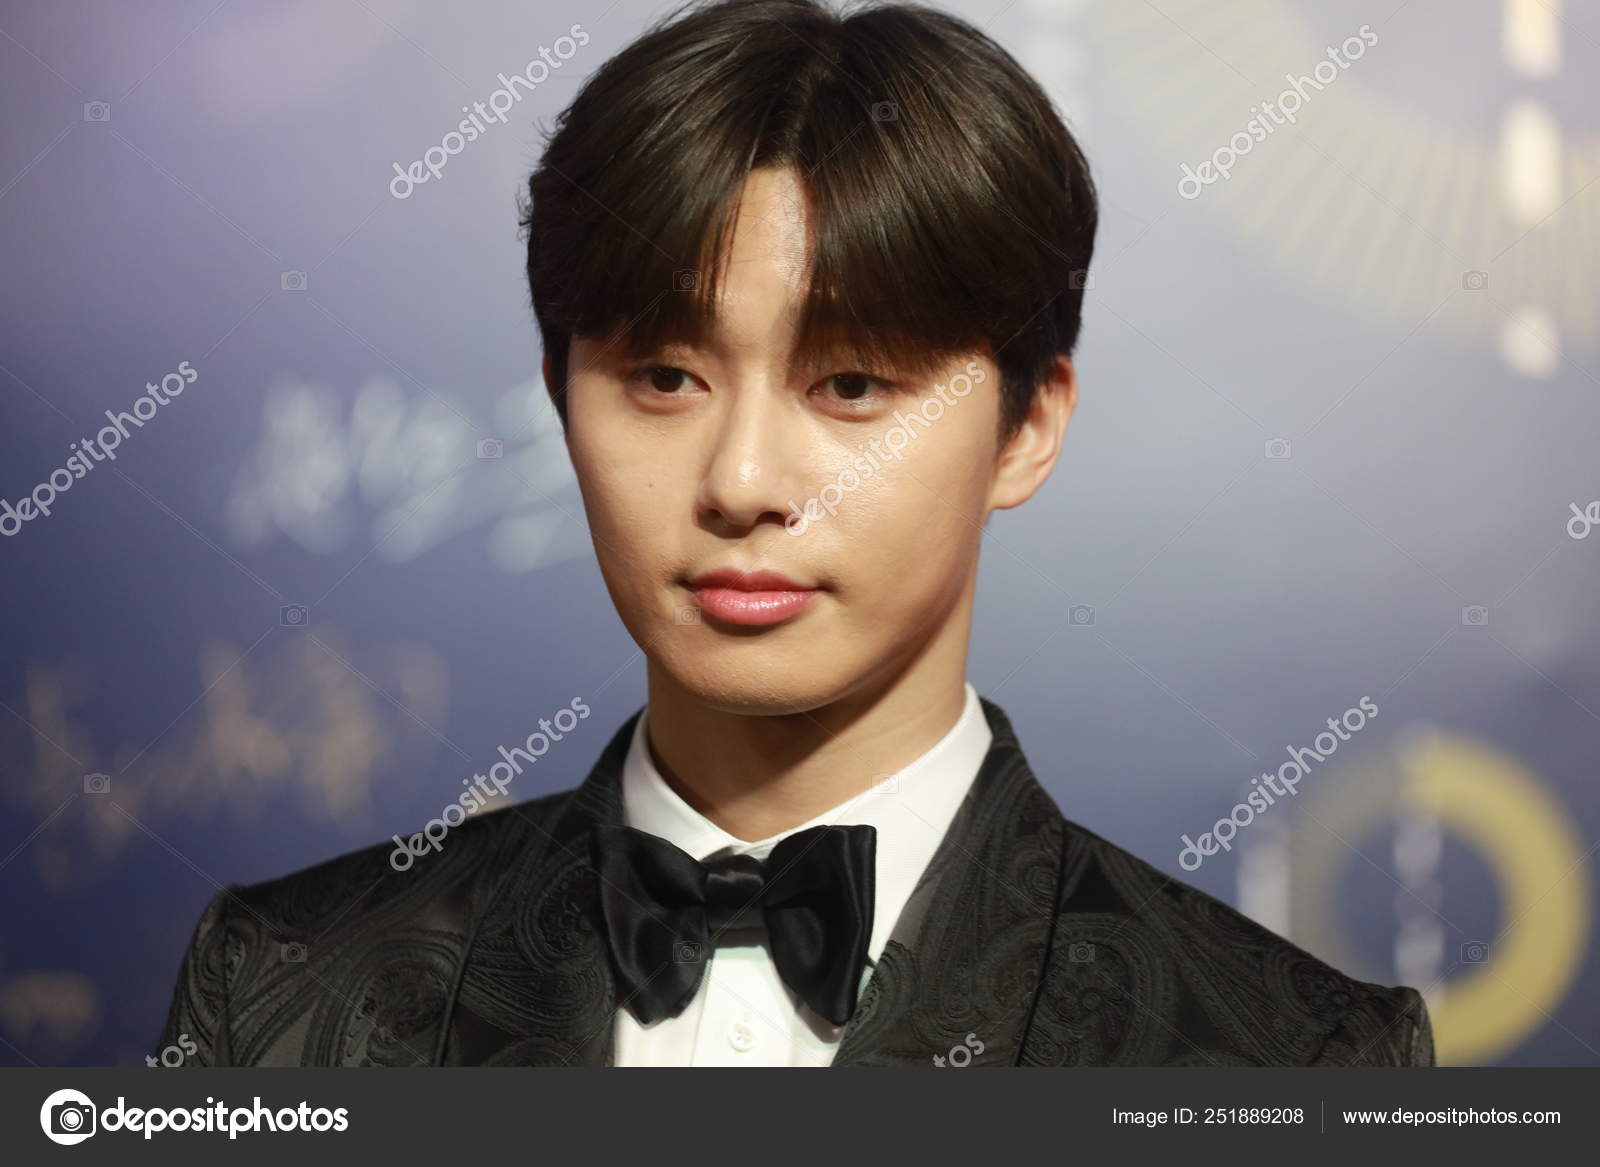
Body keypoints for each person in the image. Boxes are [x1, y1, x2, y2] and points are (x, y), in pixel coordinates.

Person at [158, 0, 1432, 1067]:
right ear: (559, 400)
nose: (742, 480)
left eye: (852, 385)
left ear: (1026, 427)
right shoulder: (280, 993)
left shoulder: (1293, 1056)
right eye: (664, 377)